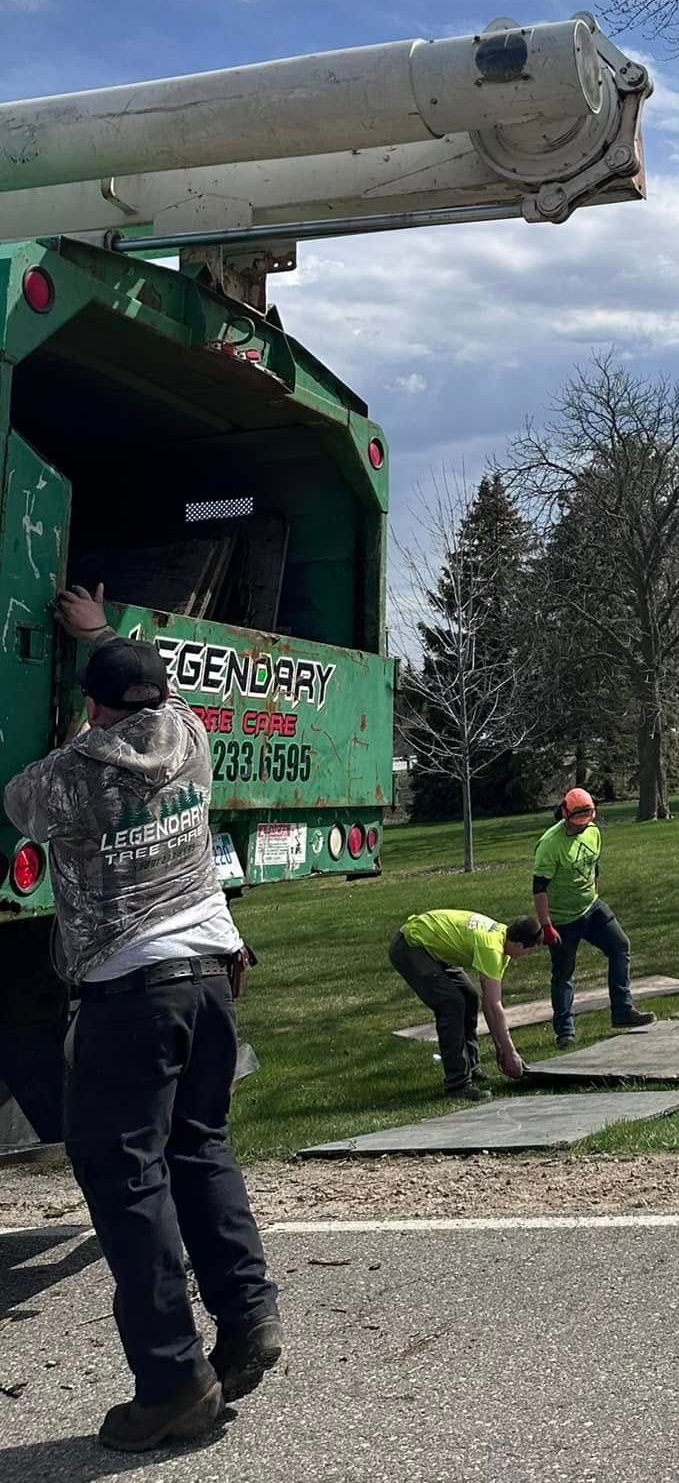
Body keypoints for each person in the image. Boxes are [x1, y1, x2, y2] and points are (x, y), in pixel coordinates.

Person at [2, 585, 280, 1454]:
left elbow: (18, 802)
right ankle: (247, 1316)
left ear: (93, 709)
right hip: (210, 979)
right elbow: (159, 695)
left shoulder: (74, 776)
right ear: (158, 699)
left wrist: (84, 721)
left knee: (126, 1183)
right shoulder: (192, 736)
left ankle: (171, 1381)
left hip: (131, 994)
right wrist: (107, 635)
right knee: (199, 1145)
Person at [532, 787, 656, 1048]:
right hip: (562, 919)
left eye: (587, 816)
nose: (582, 824)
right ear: (565, 814)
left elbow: (594, 866)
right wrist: (546, 926)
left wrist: (595, 894)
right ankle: (564, 1031)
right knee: (563, 973)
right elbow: (539, 888)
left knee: (620, 946)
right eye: (577, 818)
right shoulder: (550, 844)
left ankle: (622, 1011)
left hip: (591, 906)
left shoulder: (593, 832)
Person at [387, 909, 542, 1099]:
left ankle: (471, 1069)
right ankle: (457, 1084)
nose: (528, 956)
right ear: (518, 944)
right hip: (411, 945)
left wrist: (501, 1049)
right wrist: (510, 1053)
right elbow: (495, 1006)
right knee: (451, 1004)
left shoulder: (502, 939)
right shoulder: (492, 948)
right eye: (530, 950)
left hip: (433, 948)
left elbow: (488, 1004)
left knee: (468, 998)